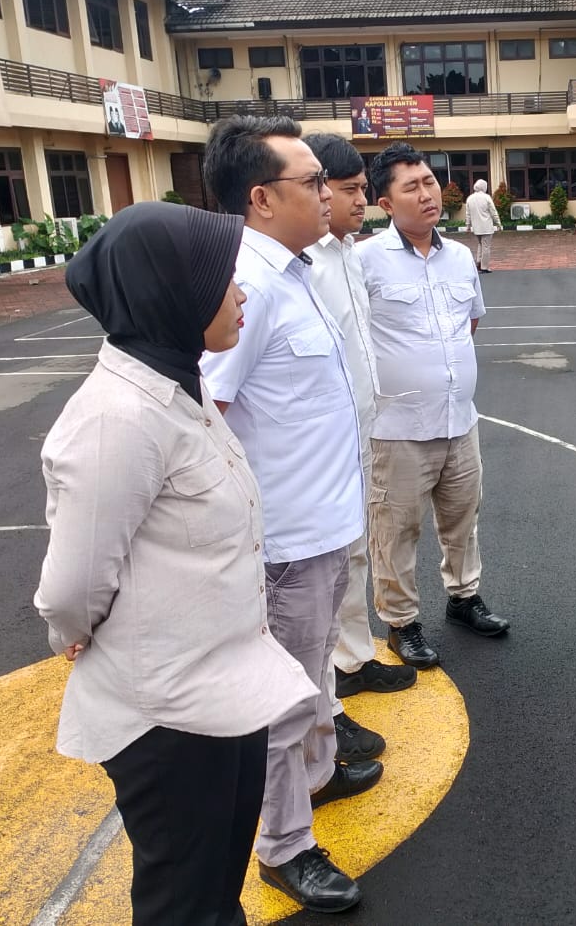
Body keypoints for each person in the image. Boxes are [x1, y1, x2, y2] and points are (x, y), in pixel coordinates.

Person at [34, 201, 321, 926]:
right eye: (223, 280)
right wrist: (71, 633)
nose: (240, 293)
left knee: (216, 896)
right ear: (172, 291)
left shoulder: (176, 386)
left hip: (226, 693)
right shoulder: (117, 419)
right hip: (168, 717)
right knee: (183, 907)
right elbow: (70, 589)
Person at [199, 116, 382, 915]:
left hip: (325, 524)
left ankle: (316, 776)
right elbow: (205, 413)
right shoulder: (248, 285)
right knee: (281, 698)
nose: (329, 194)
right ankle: (284, 845)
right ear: (261, 198)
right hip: (285, 541)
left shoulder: (297, 270)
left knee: (311, 682)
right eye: (312, 183)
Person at [358, 142, 509, 670]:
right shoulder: (364, 262)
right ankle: (401, 622)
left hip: (459, 421)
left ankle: (464, 598)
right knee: (395, 530)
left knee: (462, 519)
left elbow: (471, 321)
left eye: (429, 182)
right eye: (412, 187)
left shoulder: (460, 256)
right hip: (396, 428)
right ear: (385, 202)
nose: (427, 194)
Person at [303, 133, 418, 763]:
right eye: (348, 191)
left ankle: (352, 659)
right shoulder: (302, 262)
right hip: (317, 444)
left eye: (361, 190)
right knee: (311, 581)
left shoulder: (350, 253)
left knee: (353, 555)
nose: (360, 202)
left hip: (359, 430)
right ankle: (321, 708)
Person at [464, 177, 503, 272]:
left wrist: (468, 226)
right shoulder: (486, 197)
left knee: (480, 245)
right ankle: (484, 267)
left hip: (476, 228)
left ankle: (478, 263)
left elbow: (468, 214)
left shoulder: (470, 198)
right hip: (486, 227)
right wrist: (498, 223)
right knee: (486, 247)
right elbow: (493, 212)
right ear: (484, 187)